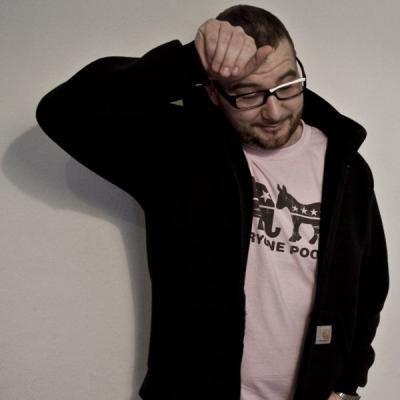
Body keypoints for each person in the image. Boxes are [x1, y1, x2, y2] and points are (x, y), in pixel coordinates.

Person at [35, 4, 389, 400]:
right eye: (248, 94)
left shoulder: (345, 165)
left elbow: (369, 282)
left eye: (287, 84)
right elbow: (62, 112)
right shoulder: (180, 153)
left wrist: (346, 386)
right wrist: (187, 61)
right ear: (213, 92)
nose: (274, 111)